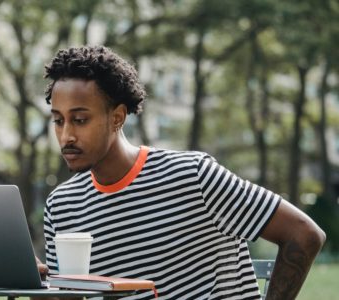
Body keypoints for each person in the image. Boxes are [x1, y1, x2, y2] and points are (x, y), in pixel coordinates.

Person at [38, 45, 325, 299]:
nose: (66, 136)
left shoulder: (193, 176)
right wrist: (35, 285)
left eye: (79, 120)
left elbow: (304, 234)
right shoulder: (62, 206)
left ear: (117, 118)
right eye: (58, 121)